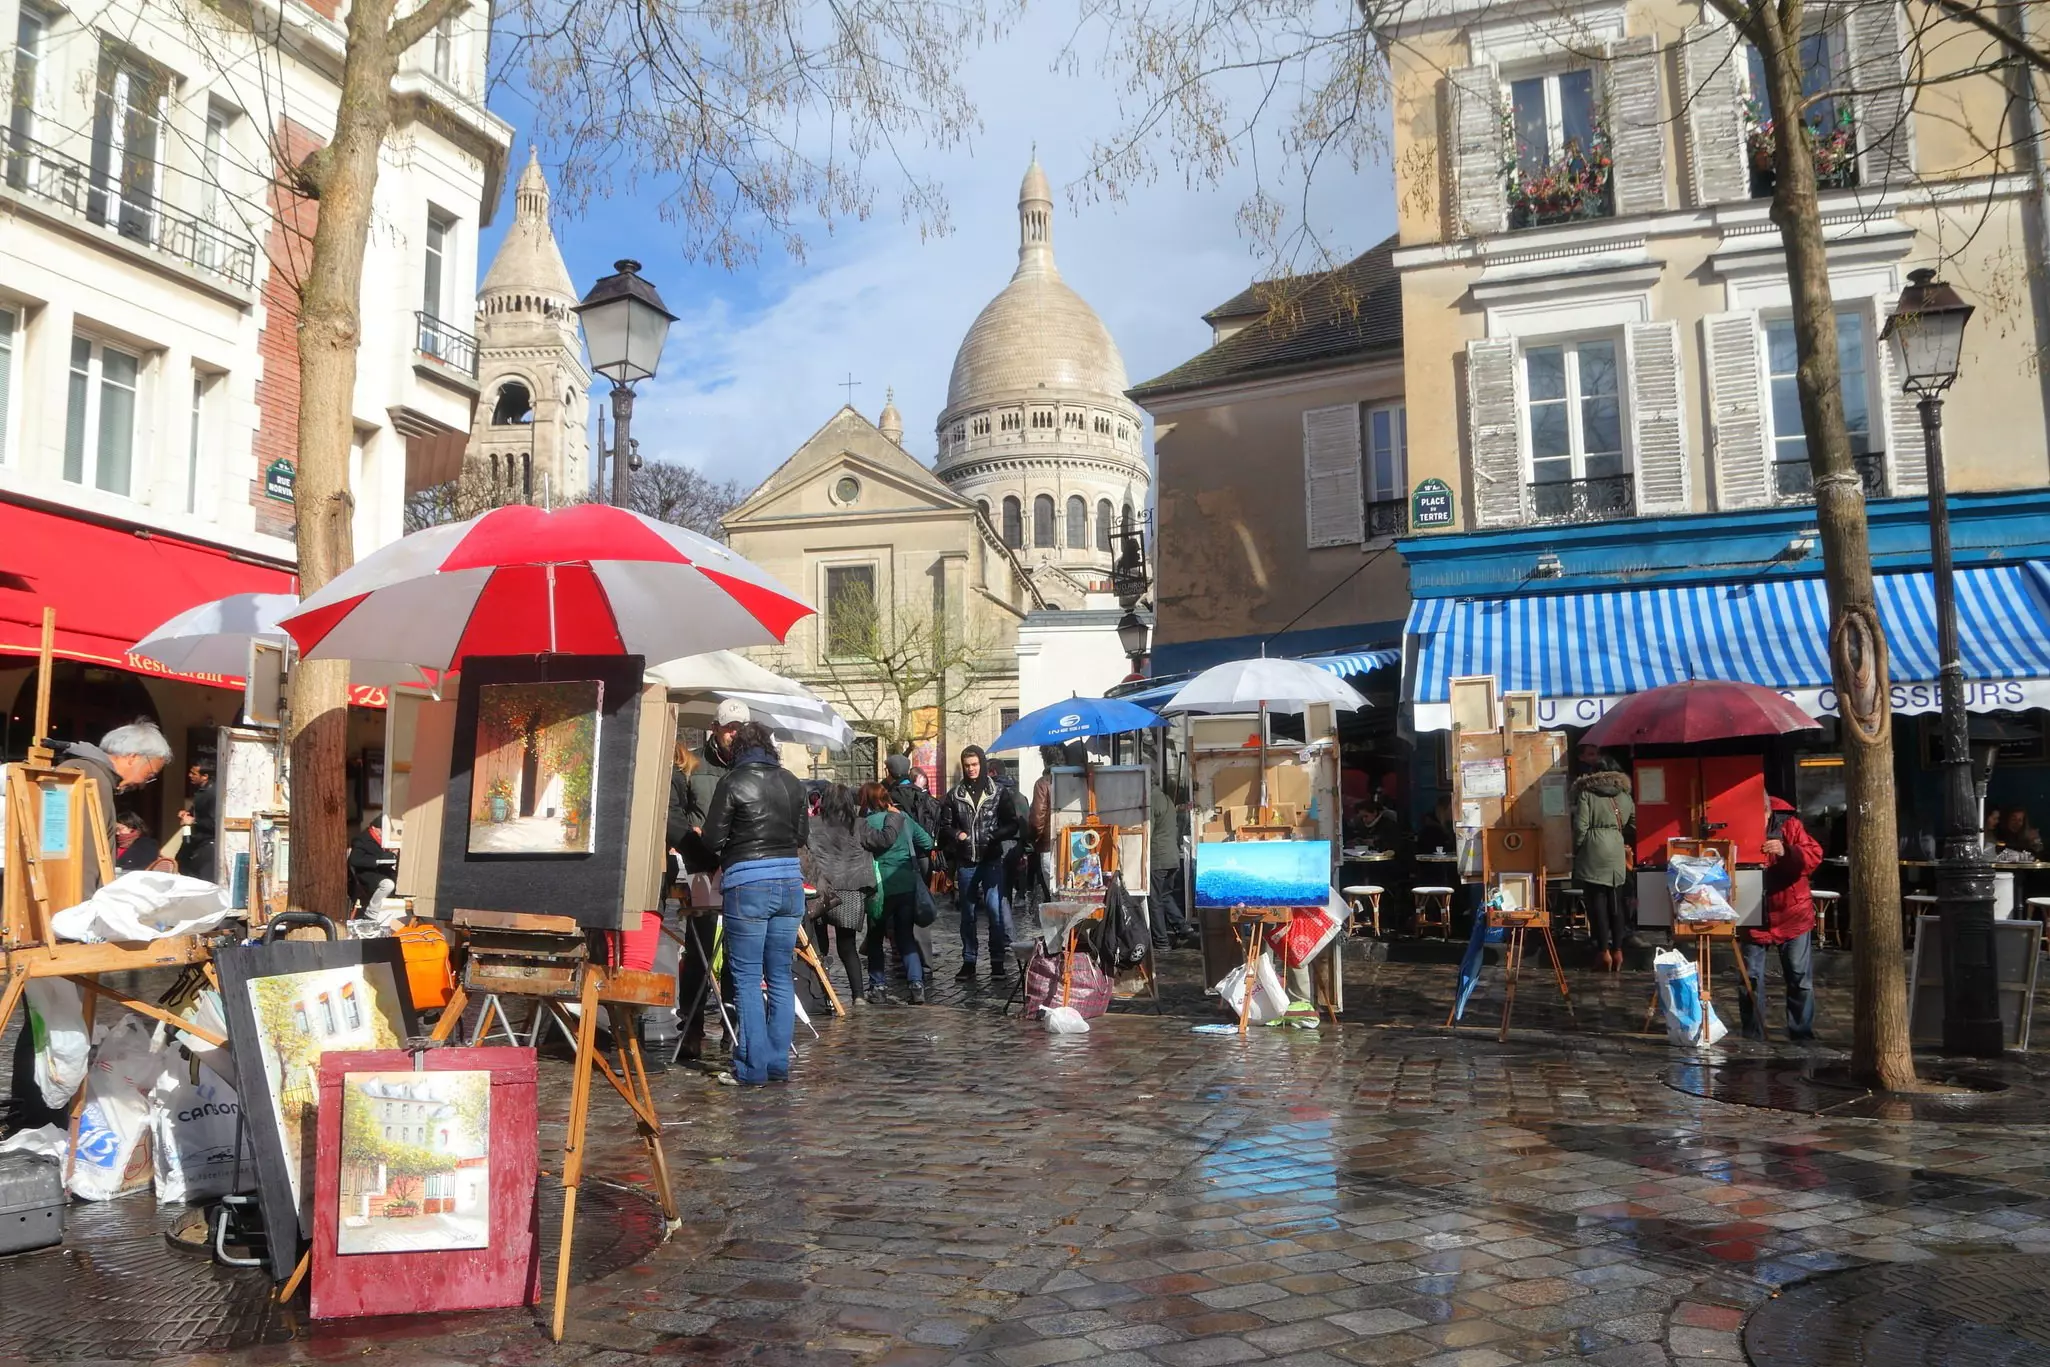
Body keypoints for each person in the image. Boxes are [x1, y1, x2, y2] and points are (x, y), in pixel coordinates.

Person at [700, 719, 809, 1086]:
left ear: (738, 749)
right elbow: (802, 834)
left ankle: (752, 1067)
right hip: (790, 881)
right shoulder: (792, 782)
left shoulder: (732, 782)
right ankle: (777, 1063)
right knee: (779, 974)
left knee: (747, 977)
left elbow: (712, 840)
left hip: (748, 882)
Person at [1742, 796, 1824, 1042]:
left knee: (1799, 978)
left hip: (1792, 913)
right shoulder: (1737, 825)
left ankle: (1801, 1034)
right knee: (1750, 979)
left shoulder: (1790, 825)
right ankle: (1752, 1035)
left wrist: (1786, 850)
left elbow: (1813, 857)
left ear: (1768, 809)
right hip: (1752, 912)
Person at [54, 720, 171, 893]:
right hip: (72, 901)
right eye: (149, 775)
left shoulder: (94, 775)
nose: (143, 785)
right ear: (133, 757)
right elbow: (85, 854)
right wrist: (85, 908)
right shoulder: (91, 777)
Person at [940, 744, 1018, 982]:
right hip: (967, 862)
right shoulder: (955, 795)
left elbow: (1013, 824)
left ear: (982, 765)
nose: (971, 769)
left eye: (975, 765)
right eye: (967, 766)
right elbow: (944, 827)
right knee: (968, 914)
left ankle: (997, 963)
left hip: (991, 858)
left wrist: (994, 835)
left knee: (995, 913)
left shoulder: (998, 793)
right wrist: (957, 835)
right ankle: (969, 961)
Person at [861, 781, 936, 1004]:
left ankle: (878, 986)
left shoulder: (865, 823)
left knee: (875, 938)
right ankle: (916, 984)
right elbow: (927, 841)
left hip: (878, 888)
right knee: (905, 936)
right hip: (906, 884)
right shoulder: (902, 818)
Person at [807, 785, 875, 1002]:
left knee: (819, 948)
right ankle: (859, 996)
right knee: (848, 947)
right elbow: (880, 841)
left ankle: (824, 996)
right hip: (851, 888)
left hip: (821, 890)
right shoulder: (860, 824)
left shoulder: (813, 825)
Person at [1572, 757, 1635, 972]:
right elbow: (1634, 823)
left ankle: (1603, 952)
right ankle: (1618, 951)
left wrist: (1578, 848)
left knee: (1596, 903)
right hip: (1616, 849)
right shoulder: (1625, 796)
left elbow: (1581, 826)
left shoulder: (1586, 794)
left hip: (1593, 848)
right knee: (1616, 903)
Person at [1148, 778, 1195, 952]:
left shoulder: (1151, 801)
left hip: (1158, 858)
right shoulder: (1166, 798)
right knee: (1165, 895)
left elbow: (1147, 830)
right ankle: (1183, 928)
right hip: (1172, 857)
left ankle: (1161, 942)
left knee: (1154, 900)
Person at [177, 761, 217, 882]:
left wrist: (193, 821)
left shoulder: (213, 794)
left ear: (205, 776)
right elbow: (196, 811)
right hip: (196, 839)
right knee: (181, 862)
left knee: (200, 875)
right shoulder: (201, 792)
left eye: (193, 773)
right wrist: (186, 813)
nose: (190, 775)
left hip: (207, 842)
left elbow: (215, 823)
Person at [348, 813, 398, 904]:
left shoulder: (383, 840)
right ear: (374, 828)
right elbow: (355, 860)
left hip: (383, 871)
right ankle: (372, 911)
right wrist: (378, 860)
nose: (385, 833)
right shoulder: (362, 839)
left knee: (402, 882)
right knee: (388, 885)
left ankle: (391, 910)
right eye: (382, 830)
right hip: (367, 874)